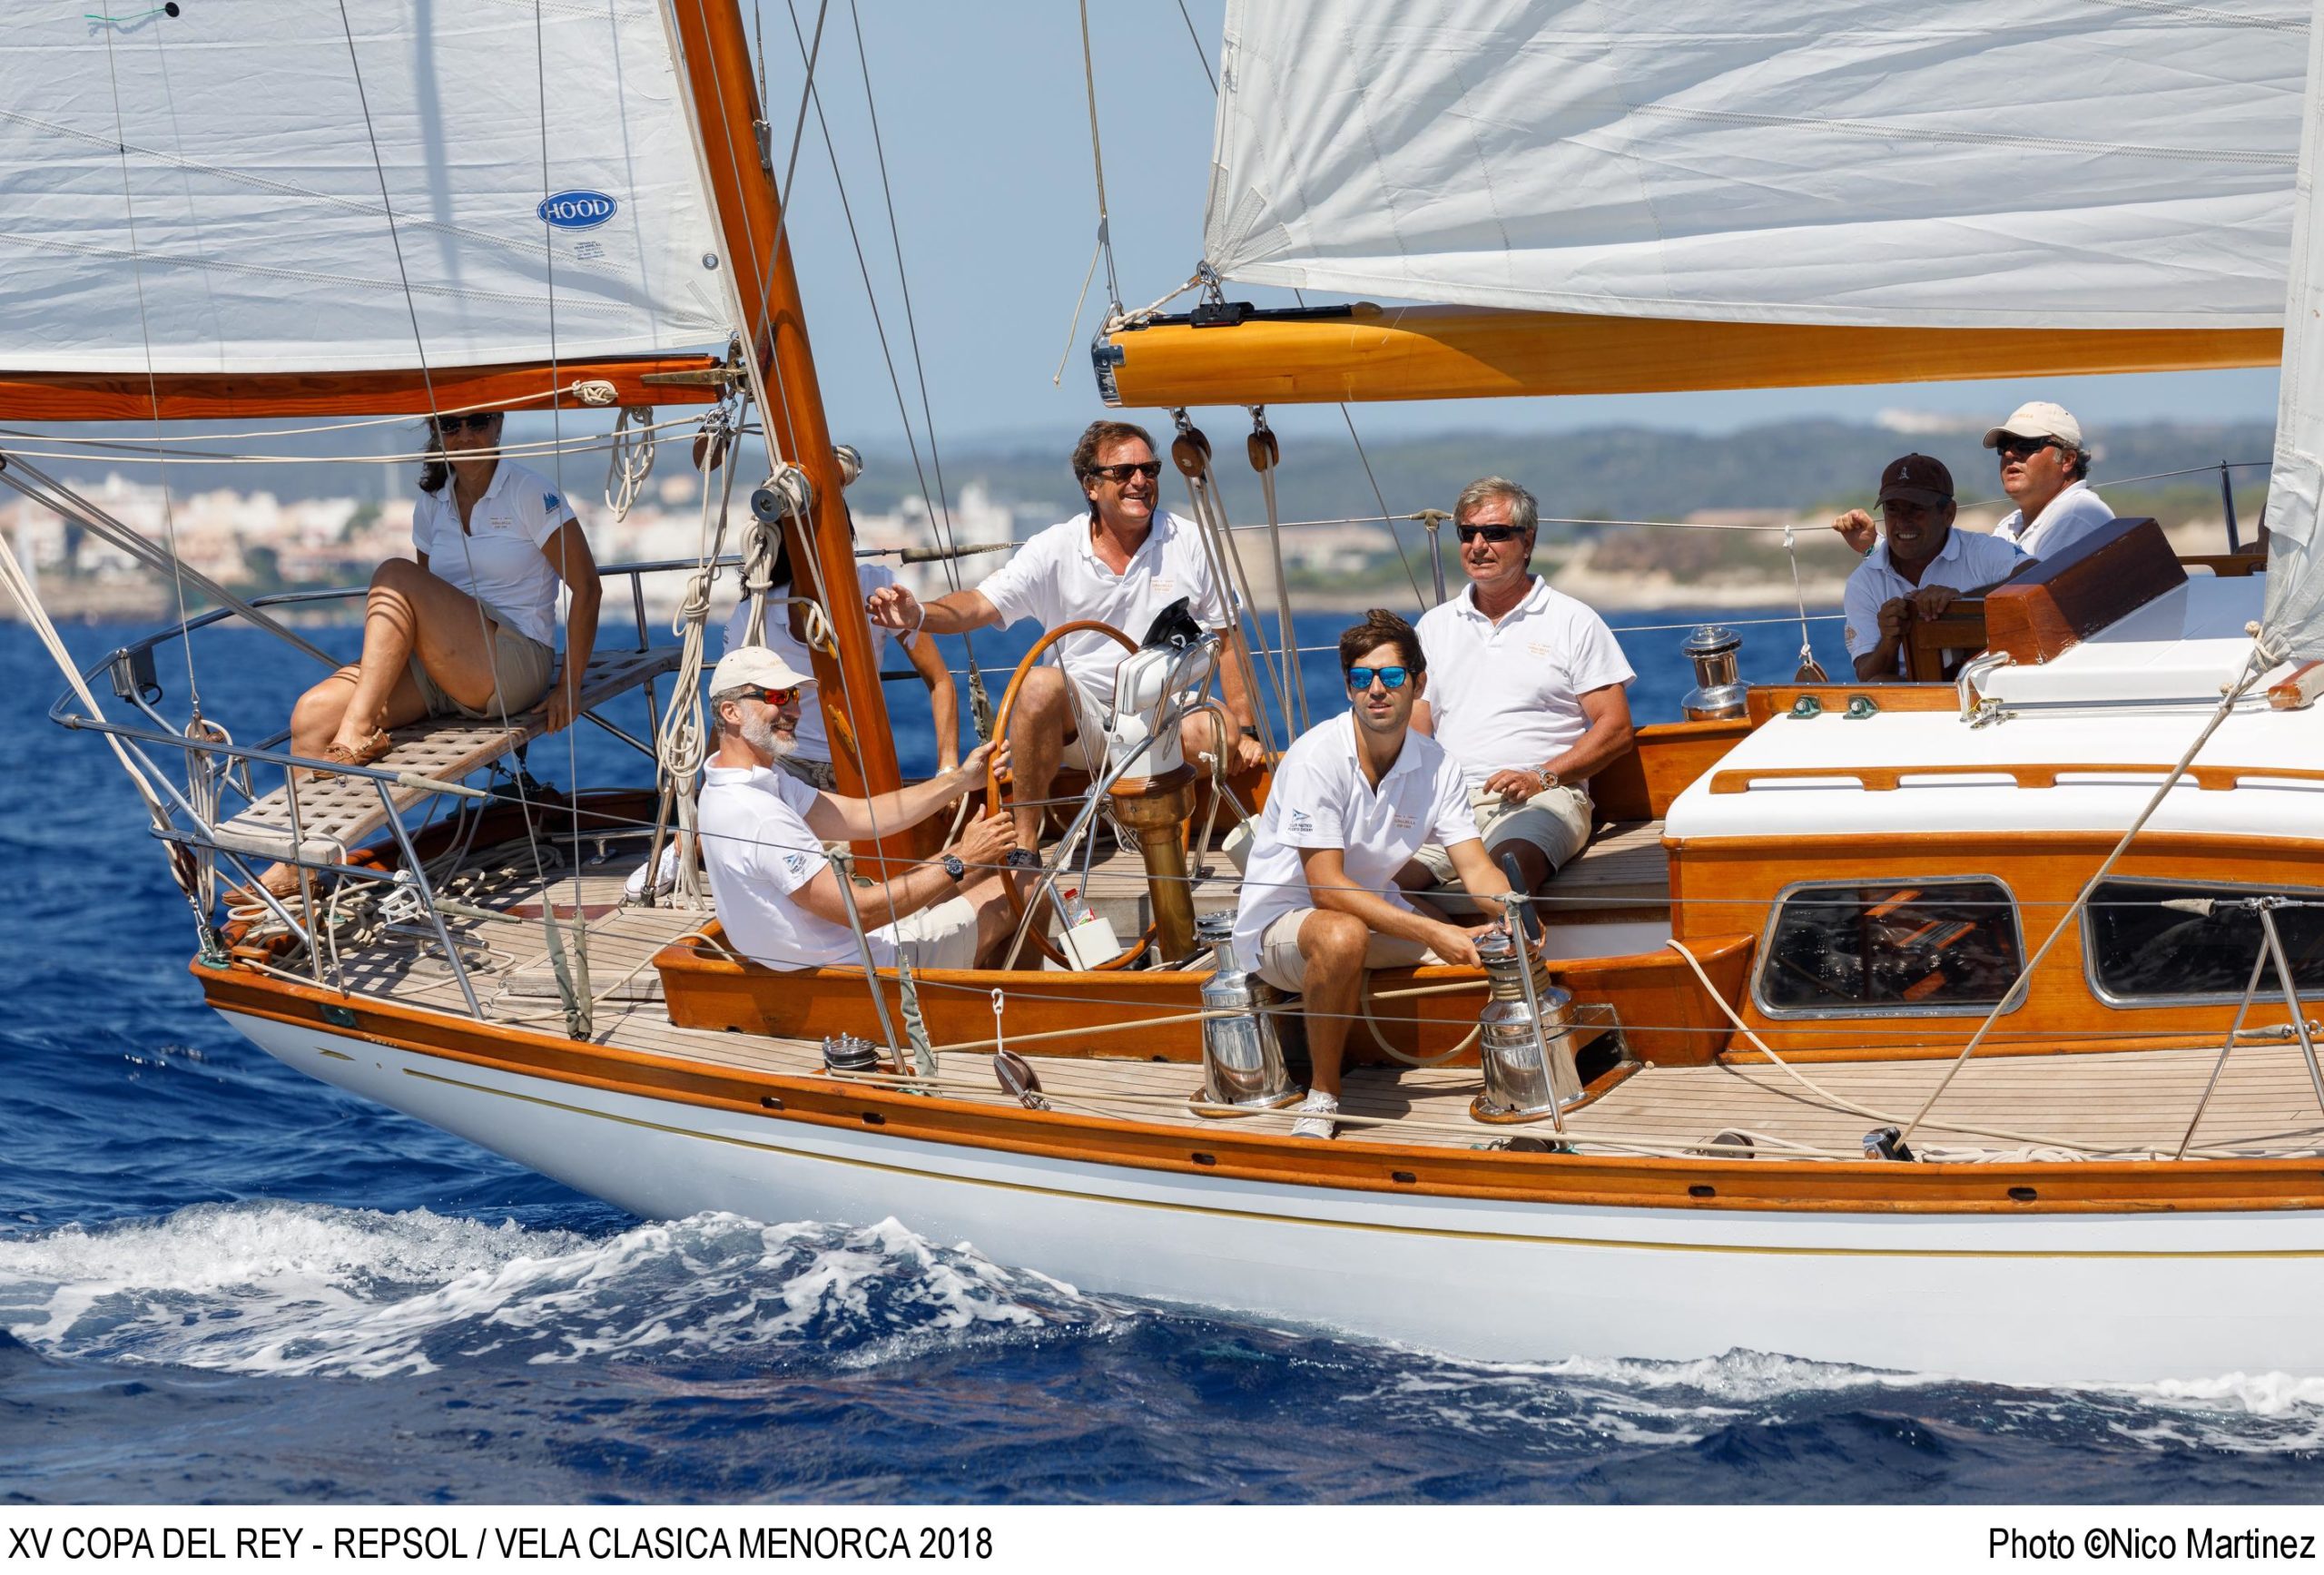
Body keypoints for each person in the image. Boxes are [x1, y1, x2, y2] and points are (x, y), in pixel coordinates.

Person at [248, 409, 602, 899]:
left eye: (477, 422)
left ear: (498, 424)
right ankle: (299, 865)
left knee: (394, 574)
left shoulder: (530, 492)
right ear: (438, 434)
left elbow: (587, 588)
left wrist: (570, 686)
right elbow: (423, 608)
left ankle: (358, 731)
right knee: (312, 715)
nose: (465, 435)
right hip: (448, 669)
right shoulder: (433, 504)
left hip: (514, 662)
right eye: (451, 426)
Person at [864, 420, 1265, 851]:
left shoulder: (1190, 541)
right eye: (1123, 472)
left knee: (1220, 734)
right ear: (1091, 486)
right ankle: (1025, 848)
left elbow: (1228, 637)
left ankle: (1130, 808)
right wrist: (918, 614)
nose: (1140, 481)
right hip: (1085, 721)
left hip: (1167, 709)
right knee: (1038, 685)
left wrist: (1248, 732)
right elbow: (980, 604)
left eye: (1149, 469)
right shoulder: (1055, 548)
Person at [1231, 610, 1517, 1140]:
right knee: (1343, 935)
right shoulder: (1316, 758)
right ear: (1349, 688)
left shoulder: (1438, 766)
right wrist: (1434, 931)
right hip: (1282, 928)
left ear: (1419, 684)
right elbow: (1326, 887)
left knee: (1495, 947)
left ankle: (1519, 1082)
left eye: (1391, 676)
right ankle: (1323, 1094)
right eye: (1362, 678)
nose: (1376, 689)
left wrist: (1517, 914)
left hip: (1373, 915)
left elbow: (1477, 868)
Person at [697, 645, 1019, 973]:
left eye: (793, 696)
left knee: (986, 870)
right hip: (869, 968)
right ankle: (1002, 1000)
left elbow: (864, 816)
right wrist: (961, 856)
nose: (794, 710)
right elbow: (861, 912)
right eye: (777, 698)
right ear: (731, 712)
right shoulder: (760, 814)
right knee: (1025, 887)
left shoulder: (734, 784)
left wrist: (960, 781)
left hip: (850, 945)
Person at [1409, 477, 1635, 903]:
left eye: (1495, 533)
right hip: (1449, 804)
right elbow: (1415, 730)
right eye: (1467, 534)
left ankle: (1511, 943)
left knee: (1504, 879)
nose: (1478, 545)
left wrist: (1541, 776)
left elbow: (1617, 728)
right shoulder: (1434, 627)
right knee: (1375, 885)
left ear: (1527, 541)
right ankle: (1455, 938)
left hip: (1544, 797)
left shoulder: (1573, 620)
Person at [723, 534, 958, 792]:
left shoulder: (876, 588)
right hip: (784, 763)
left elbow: (939, 680)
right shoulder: (755, 611)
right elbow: (728, 706)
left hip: (864, 761)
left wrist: (947, 770)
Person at [1833, 400, 2112, 561]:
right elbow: (1971, 578)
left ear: (2067, 460)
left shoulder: (2081, 514)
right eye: (2004, 446)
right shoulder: (2010, 525)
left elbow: (2021, 592)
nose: (2010, 454)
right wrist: (1874, 547)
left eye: (2027, 445)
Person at [1842, 454, 2028, 681]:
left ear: (1948, 514)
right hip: (1915, 700)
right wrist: (1889, 639)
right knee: (1883, 682)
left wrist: (1962, 601)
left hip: (1986, 688)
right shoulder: (1863, 583)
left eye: (1916, 509)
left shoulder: (1981, 551)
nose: (1902, 521)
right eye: (1893, 510)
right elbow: (1867, 676)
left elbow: (2037, 572)